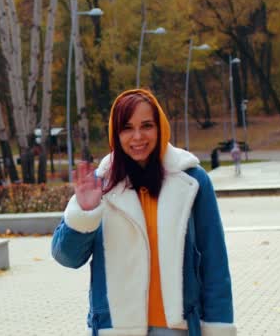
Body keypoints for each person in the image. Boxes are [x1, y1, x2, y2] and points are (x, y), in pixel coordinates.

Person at [51, 89, 235, 336]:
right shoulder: (100, 183)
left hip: (174, 328)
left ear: (160, 128)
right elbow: (68, 258)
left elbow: (215, 262)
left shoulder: (191, 179)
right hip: (116, 328)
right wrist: (85, 212)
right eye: (127, 128)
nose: (137, 137)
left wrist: (218, 326)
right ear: (116, 134)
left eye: (146, 125)